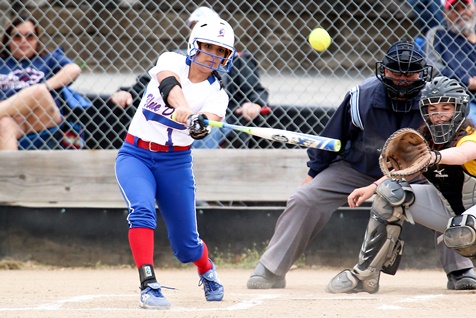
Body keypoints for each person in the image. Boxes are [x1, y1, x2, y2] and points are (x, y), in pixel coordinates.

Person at [246, 40, 474, 291]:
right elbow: (332, 139)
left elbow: (452, 145)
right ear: (383, 70)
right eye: (396, 72)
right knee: (305, 198)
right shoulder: (361, 96)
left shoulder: (433, 99)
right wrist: (313, 174)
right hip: (357, 168)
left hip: (413, 172)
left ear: (422, 72)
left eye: (410, 73)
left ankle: (460, 270)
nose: (403, 79)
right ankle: (271, 268)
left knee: (446, 192)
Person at [114, 16, 236, 309]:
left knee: (186, 245)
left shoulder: (217, 94)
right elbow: (169, 84)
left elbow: (209, 123)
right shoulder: (170, 59)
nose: (213, 56)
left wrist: (198, 123)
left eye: (221, 52)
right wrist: (183, 108)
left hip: (175, 163)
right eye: (208, 47)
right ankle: (149, 285)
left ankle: (206, 268)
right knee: (142, 211)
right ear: (195, 45)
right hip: (135, 155)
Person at [327, 76, 476, 293]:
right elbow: (404, 171)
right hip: (453, 210)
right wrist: (372, 187)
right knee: (390, 193)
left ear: (460, 109)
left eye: (446, 107)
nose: (439, 114)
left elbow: (463, 154)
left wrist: (433, 157)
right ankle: (366, 273)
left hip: (469, 216)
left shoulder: (469, 136)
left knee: (462, 229)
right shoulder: (425, 138)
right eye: (432, 109)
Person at [110, 6, 270, 149]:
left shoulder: (238, 63)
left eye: (218, 47)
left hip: (219, 123)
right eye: (205, 42)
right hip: (168, 120)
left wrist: (254, 104)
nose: (212, 52)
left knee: (204, 127)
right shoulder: (174, 57)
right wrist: (127, 92)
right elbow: (149, 82)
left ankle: (199, 169)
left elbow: (256, 92)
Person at [0, 15, 82, 150]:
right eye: (17, 37)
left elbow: (74, 69)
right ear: (8, 39)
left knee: (38, 91)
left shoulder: (47, 58)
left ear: (37, 39)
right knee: (4, 125)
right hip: (11, 118)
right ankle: (11, 171)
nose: (23, 41)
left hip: (42, 114)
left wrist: (45, 86)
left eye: (30, 36)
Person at [425, 0, 476, 122]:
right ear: (444, 14)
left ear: (474, 8)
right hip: (463, 100)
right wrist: (467, 82)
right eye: (454, 9)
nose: (461, 13)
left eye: (465, 7)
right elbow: (433, 70)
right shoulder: (439, 35)